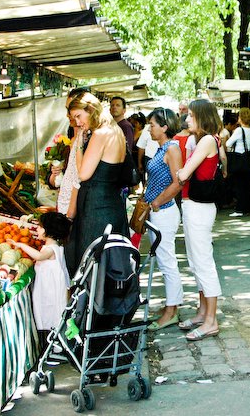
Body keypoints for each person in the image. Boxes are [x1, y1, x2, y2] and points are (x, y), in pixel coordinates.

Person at [175, 99, 225, 341]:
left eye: (191, 116)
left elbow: (184, 173)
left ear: (201, 117)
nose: (187, 120)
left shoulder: (206, 140)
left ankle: (210, 320)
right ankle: (203, 312)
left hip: (198, 207)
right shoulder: (206, 140)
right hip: (195, 206)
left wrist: (179, 168)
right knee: (196, 262)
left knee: (203, 262)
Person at [64, 93, 129, 277]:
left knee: (93, 268)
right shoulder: (115, 130)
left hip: (96, 210)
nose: (77, 122)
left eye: (78, 116)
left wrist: (78, 145)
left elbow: (83, 174)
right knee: (111, 266)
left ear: (90, 110)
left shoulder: (100, 134)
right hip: (112, 205)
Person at [144, 108, 184, 331]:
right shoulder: (161, 149)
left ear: (165, 127)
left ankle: (172, 311)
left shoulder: (172, 149)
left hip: (164, 211)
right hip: (157, 211)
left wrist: (158, 202)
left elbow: (178, 182)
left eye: (152, 124)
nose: (149, 128)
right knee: (163, 260)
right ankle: (171, 305)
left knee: (167, 261)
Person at [8, 212, 71, 332]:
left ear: (49, 230)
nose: (37, 228)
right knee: (50, 314)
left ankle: (56, 345)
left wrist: (21, 245)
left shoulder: (51, 249)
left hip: (51, 291)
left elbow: (39, 256)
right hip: (48, 289)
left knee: (52, 315)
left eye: (40, 227)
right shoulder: (56, 247)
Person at [48, 88, 89, 217]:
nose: (68, 115)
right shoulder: (70, 138)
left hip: (78, 209)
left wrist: (70, 212)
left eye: (70, 110)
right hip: (66, 206)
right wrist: (55, 175)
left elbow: (80, 178)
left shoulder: (89, 140)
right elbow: (64, 178)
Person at [226, 107, 250, 217]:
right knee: (246, 186)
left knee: (238, 186)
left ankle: (239, 209)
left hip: (238, 159)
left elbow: (228, 143)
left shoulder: (238, 130)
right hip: (247, 160)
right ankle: (246, 208)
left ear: (240, 118)